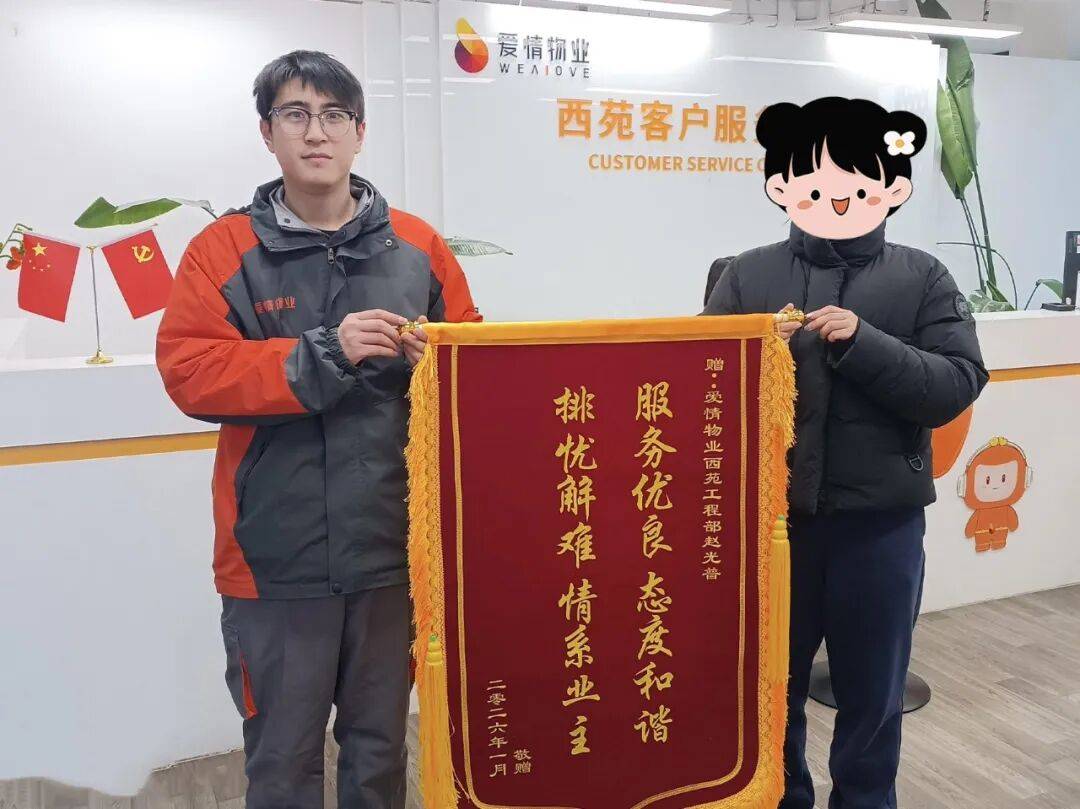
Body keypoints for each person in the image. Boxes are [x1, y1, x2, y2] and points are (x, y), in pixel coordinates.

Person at [156, 50, 481, 809]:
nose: (316, 132)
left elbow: (474, 362)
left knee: (379, 752)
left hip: (391, 550)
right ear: (267, 132)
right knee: (283, 760)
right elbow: (190, 370)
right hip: (275, 557)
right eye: (295, 114)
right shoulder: (224, 251)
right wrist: (324, 352)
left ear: (359, 132)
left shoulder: (417, 246)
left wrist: (438, 361)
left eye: (335, 115)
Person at [703, 97, 987, 809]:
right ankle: (782, 798)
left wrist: (865, 342)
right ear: (782, 184)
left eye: (856, 182)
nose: (834, 196)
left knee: (873, 696)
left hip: (881, 528)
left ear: (891, 187)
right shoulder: (744, 275)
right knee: (770, 691)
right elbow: (700, 384)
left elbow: (956, 384)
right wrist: (754, 350)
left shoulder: (923, 277)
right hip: (773, 530)